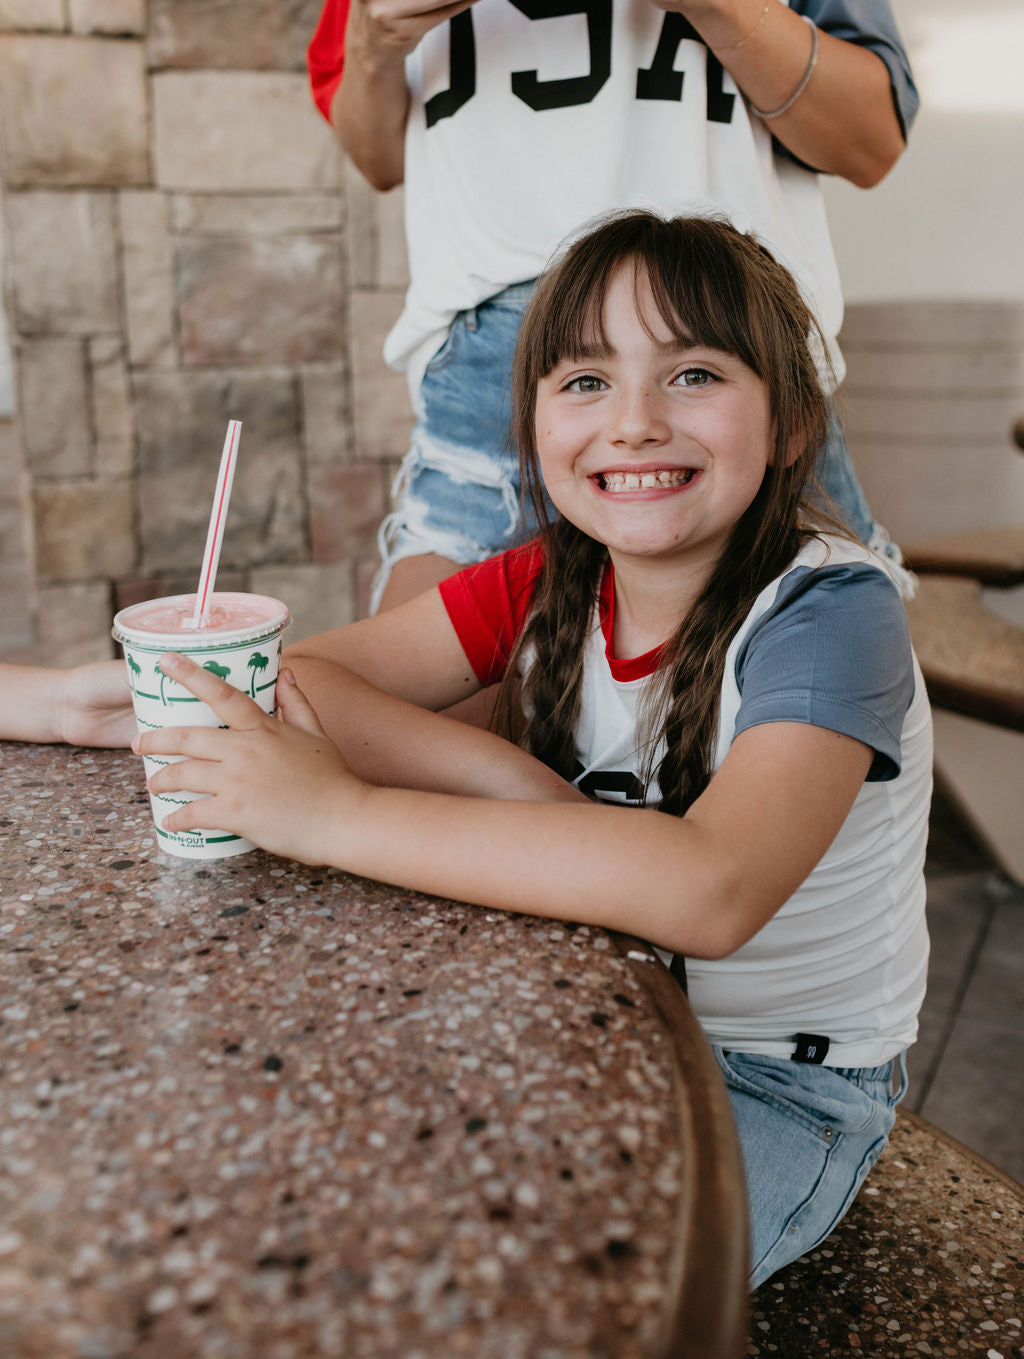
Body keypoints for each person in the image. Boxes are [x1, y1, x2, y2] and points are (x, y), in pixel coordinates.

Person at [7, 213, 931, 1285]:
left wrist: (332, 814)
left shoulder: (829, 610)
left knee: (526, 1296)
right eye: (584, 381)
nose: (632, 421)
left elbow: (710, 889)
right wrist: (509, 778)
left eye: (692, 373)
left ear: (789, 423)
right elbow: (297, 680)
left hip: (771, 1085)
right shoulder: (550, 581)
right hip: (577, 1006)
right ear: (532, 422)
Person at [308, 0, 919, 611]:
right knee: (409, 717)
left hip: (734, 339)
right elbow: (379, 155)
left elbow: (870, 141)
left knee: (818, 688)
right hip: (500, 371)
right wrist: (372, 38)